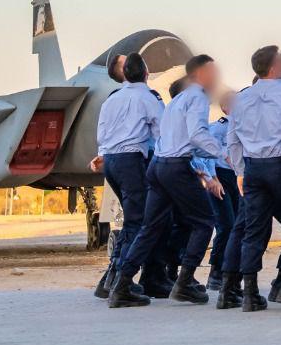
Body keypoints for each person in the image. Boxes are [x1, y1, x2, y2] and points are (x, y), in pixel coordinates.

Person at [107, 54, 228, 308]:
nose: (217, 76)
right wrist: (223, 154)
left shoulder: (179, 99)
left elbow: (167, 136)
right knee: (204, 222)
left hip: (158, 166)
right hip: (175, 167)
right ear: (201, 73)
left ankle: (123, 283)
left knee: (150, 226)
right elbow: (196, 135)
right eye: (213, 71)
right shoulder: (197, 97)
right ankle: (184, 281)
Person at [219, 47, 281, 312]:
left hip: (253, 168)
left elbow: (233, 138)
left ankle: (249, 293)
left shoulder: (242, 98)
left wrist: (240, 171)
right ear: (274, 67)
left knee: (253, 229)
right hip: (280, 164)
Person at [91, 52, 160, 301]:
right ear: (146, 73)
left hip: (111, 162)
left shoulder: (112, 99)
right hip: (132, 161)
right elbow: (161, 132)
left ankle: (112, 278)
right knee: (138, 222)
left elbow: (102, 133)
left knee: (132, 221)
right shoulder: (147, 97)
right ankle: (122, 281)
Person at [205, 90, 242, 294]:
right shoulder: (219, 127)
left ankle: (232, 272)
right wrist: (212, 179)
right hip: (221, 178)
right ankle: (216, 272)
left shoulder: (242, 127)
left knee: (237, 226)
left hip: (237, 178)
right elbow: (208, 152)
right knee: (226, 226)